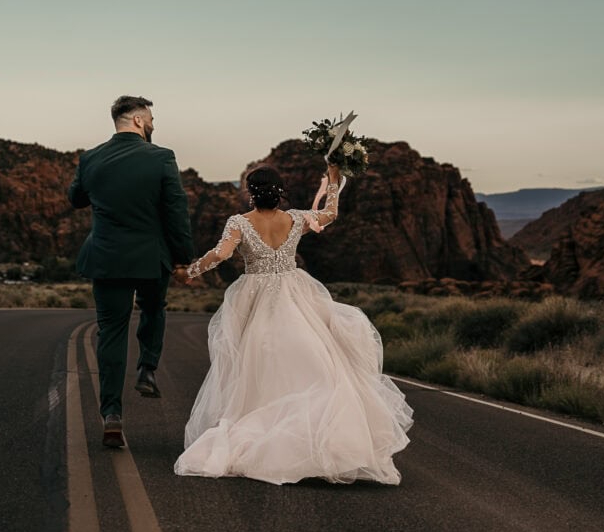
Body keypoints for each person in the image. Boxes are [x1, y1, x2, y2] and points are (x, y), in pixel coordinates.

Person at [174, 163, 413, 485]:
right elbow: (330, 214)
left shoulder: (239, 222)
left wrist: (189, 272)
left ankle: (270, 434)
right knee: (312, 360)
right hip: (296, 293)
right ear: (279, 190)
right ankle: (316, 442)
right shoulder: (296, 218)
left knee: (257, 365)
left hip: (255, 296)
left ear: (251, 192)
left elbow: (221, 254)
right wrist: (332, 181)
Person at [69, 95, 195, 448]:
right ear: (139, 121)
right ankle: (147, 368)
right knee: (154, 308)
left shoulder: (90, 158)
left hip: (107, 258)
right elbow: (176, 211)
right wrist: (183, 258)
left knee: (111, 332)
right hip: (150, 259)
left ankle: (111, 415)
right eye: (151, 118)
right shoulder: (161, 158)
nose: (153, 124)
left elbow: (75, 198)